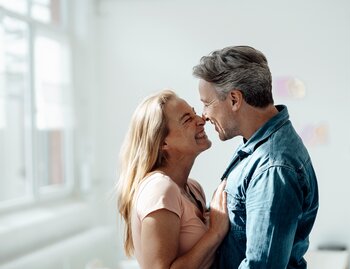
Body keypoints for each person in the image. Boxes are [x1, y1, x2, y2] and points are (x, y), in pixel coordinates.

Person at [192, 45, 319, 269]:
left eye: (206, 103)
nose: (204, 115)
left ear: (234, 99)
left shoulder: (273, 167)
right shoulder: (258, 149)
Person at [116, 89, 229, 269]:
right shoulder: (160, 189)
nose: (201, 120)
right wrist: (215, 232)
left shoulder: (193, 188)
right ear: (162, 142)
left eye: (194, 113)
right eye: (187, 119)